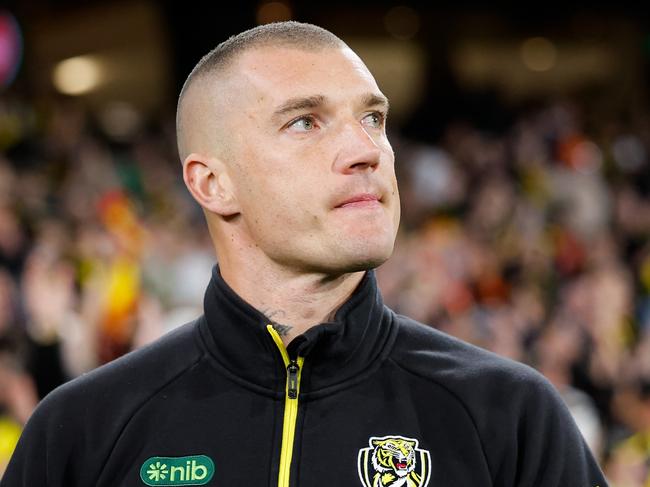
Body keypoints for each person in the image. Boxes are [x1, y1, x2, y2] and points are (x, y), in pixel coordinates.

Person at [1, 21, 608, 487]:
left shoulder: (510, 415)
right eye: (304, 123)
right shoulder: (81, 431)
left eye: (373, 118)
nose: (365, 150)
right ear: (212, 182)